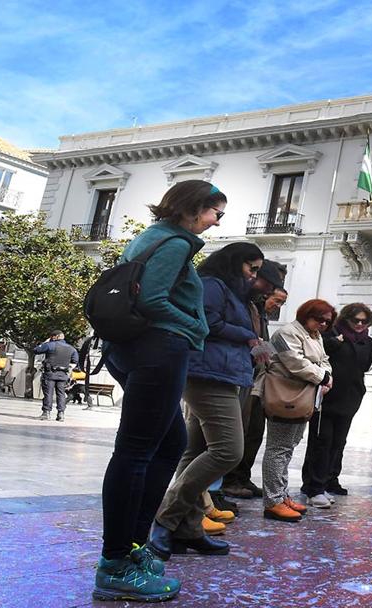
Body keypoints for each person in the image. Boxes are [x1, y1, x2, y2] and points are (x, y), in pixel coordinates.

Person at [94, 179, 223, 602]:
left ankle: (133, 547)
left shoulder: (152, 237)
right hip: (158, 348)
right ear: (193, 208)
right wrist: (195, 326)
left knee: (171, 444)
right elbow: (152, 299)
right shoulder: (175, 242)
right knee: (135, 452)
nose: (217, 219)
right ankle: (115, 562)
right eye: (214, 211)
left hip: (133, 348)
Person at [147, 242, 266, 562]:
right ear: (233, 262)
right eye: (250, 268)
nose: (253, 276)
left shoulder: (228, 289)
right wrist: (248, 336)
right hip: (209, 375)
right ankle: (165, 516)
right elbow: (207, 323)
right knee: (229, 450)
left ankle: (188, 528)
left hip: (220, 373)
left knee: (194, 452)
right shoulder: (213, 286)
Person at [257, 299, 334, 519]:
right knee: (278, 449)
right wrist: (323, 376)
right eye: (319, 319)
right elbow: (295, 362)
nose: (323, 324)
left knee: (288, 447)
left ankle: (281, 496)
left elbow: (324, 360)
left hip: (302, 397)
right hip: (284, 395)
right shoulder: (286, 333)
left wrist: (326, 376)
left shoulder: (314, 335)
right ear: (306, 314)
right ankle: (272, 501)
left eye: (327, 321)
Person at [222, 262, 287, 500]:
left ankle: (241, 476)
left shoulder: (260, 314)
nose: (276, 303)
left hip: (259, 380)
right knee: (237, 431)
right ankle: (227, 482)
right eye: (275, 297)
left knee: (255, 432)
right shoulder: (247, 307)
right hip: (242, 378)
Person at [301, 302, 372, 500]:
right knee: (321, 440)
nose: (360, 324)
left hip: (350, 398)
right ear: (346, 319)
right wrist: (335, 344)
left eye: (364, 321)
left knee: (339, 442)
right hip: (327, 396)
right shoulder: (329, 334)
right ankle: (313, 483)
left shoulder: (368, 342)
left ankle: (331, 478)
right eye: (356, 320)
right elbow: (318, 356)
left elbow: (365, 366)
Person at [34, 331, 79, 421]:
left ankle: (46, 413)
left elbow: (36, 350)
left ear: (55, 337)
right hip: (63, 375)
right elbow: (75, 361)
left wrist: (45, 343)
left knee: (48, 394)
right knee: (61, 394)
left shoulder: (50, 345)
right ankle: (61, 414)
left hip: (50, 373)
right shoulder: (71, 348)